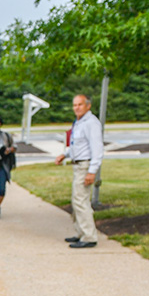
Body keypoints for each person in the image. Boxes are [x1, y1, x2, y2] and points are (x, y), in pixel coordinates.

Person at [55, 94, 104, 248]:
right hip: (77, 165)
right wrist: (65, 154)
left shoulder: (91, 123)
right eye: (74, 105)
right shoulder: (78, 122)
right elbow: (77, 145)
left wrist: (92, 172)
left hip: (85, 166)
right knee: (76, 201)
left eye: (80, 105)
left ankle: (89, 237)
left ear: (88, 106)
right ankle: (80, 232)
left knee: (81, 201)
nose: (76, 108)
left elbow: (97, 149)